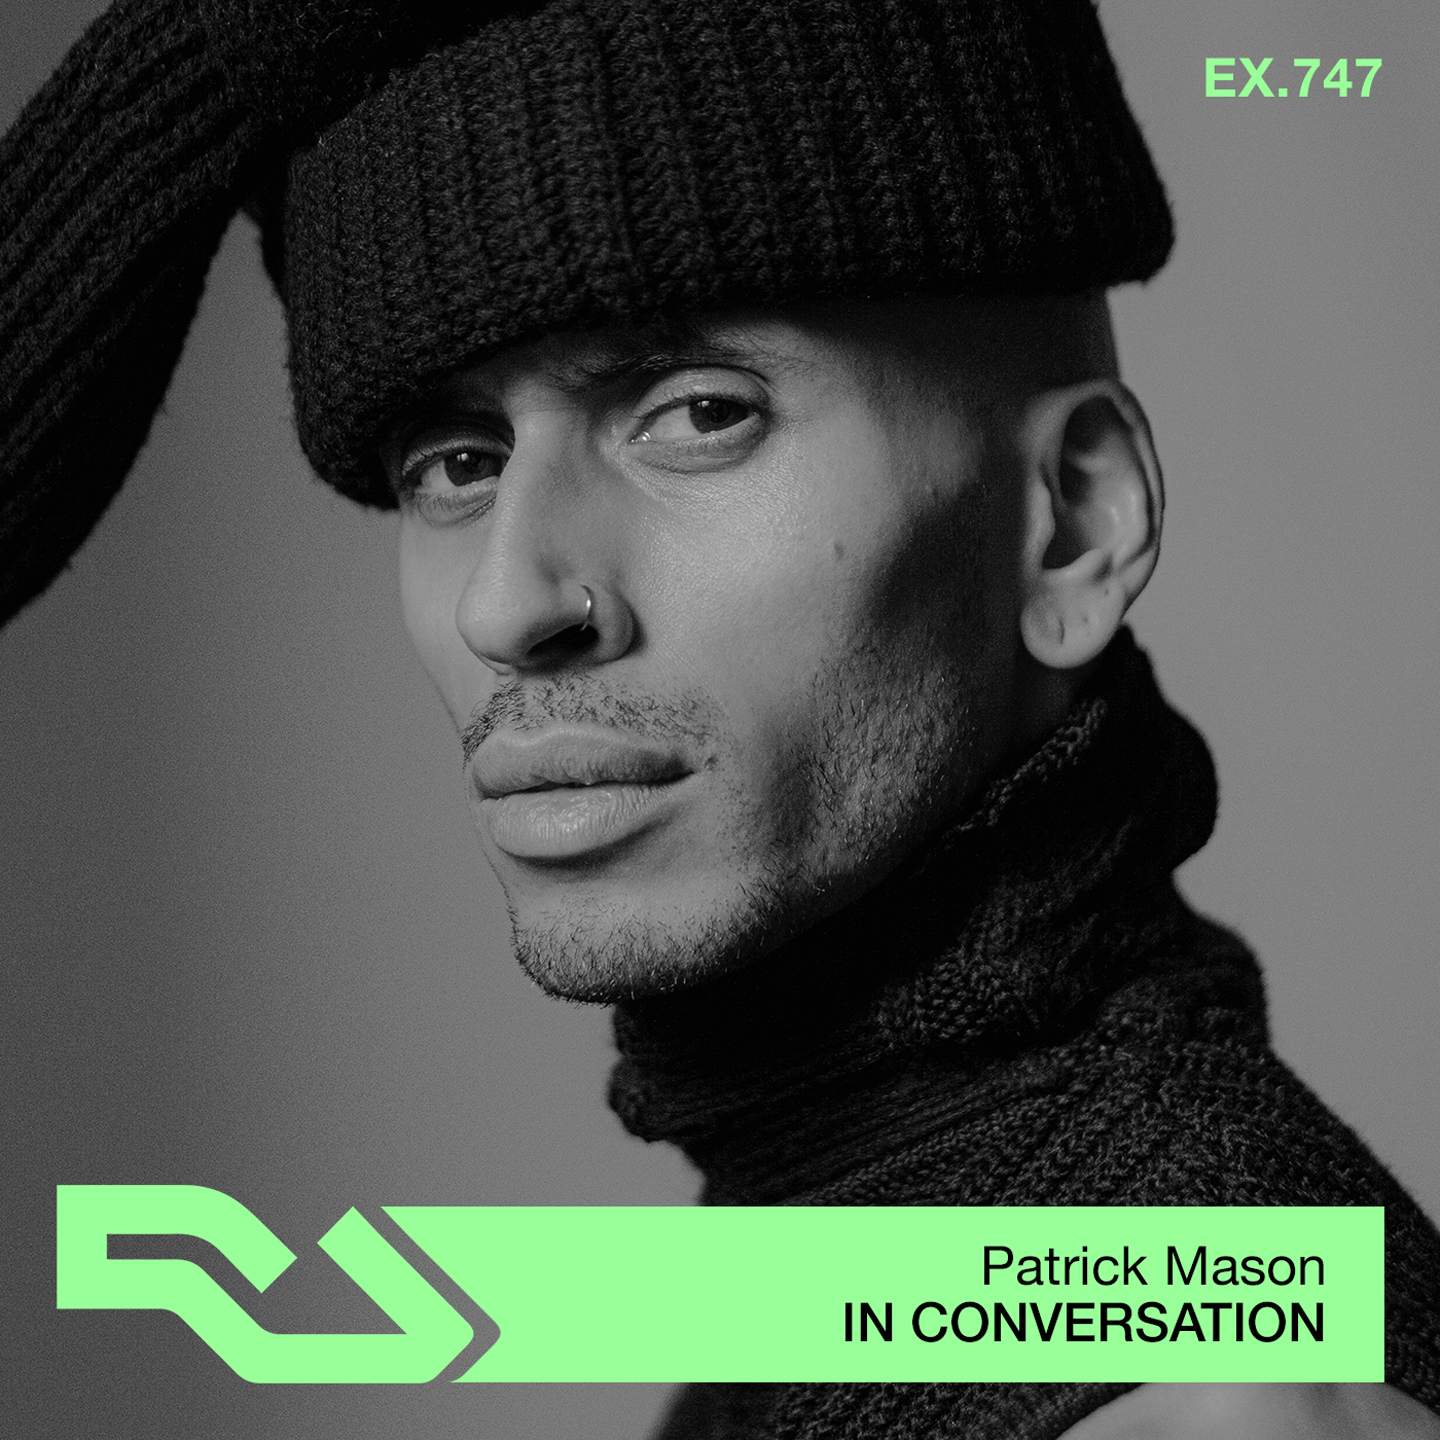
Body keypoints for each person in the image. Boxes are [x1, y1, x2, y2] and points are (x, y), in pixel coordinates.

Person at [2, 2, 1437, 1437]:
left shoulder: (1210, 1389)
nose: (510, 600)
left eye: (700, 414)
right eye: (454, 462)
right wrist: (198, 57)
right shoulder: (895, 1270)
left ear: (1071, 524)